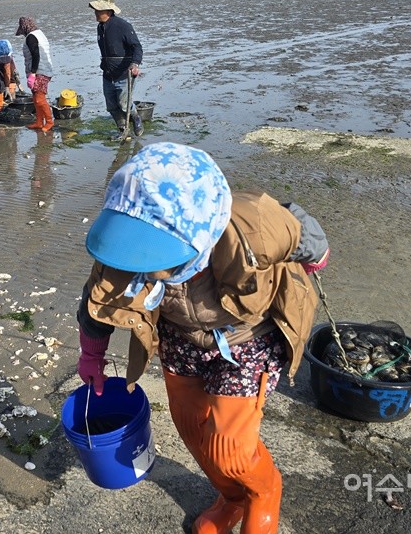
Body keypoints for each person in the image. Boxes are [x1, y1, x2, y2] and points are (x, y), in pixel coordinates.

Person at [76, 143, 329, 534]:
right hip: (179, 336)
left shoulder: (254, 228)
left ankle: (264, 494)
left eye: (153, 251)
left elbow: (302, 230)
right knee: (191, 427)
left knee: (229, 448)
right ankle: (230, 498)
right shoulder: (124, 246)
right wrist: (91, 357)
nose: (138, 259)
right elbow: (96, 297)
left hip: (248, 337)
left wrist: (315, 256)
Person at [89, 0, 144, 136]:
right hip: (108, 73)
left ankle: (136, 118)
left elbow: (137, 47)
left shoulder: (123, 26)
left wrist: (135, 64)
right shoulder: (100, 27)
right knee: (111, 106)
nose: (95, 12)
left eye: (97, 10)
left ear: (107, 11)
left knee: (124, 105)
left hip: (123, 73)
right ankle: (122, 129)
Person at [17, 16, 54, 132]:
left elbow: (36, 55)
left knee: (39, 99)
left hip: (40, 71)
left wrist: (33, 73)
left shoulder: (31, 37)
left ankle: (49, 122)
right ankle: (39, 122)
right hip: (43, 69)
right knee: (35, 97)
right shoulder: (39, 34)